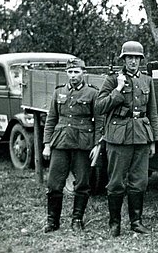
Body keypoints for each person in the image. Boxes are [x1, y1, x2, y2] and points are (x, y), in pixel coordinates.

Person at [95, 41, 158, 237]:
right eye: (129, 58)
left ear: (141, 60)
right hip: (118, 137)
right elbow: (99, 107)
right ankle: (114, 224)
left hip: (141, 135)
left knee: (139, 181)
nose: (133, 61)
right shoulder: (113, 80)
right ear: (123, 59)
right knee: (116, 182)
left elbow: (153, 112)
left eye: (136, 58)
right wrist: (118, 89)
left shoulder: (147, 80)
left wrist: (153, 140)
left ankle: (136, 222)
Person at [42, 58, 104, 232]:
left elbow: (99, 121)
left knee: (82, 184)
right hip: (60, 142)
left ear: (83, 72)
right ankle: (52, 221)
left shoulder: (92, 93)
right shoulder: (59, 92)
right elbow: (51, 119)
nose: (73, 75)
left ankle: (77, 219)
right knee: (54, 183)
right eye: (70, 72)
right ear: (66, 73)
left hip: (83, 143)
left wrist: (97, 145)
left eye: (76, 72)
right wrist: (47, 144)